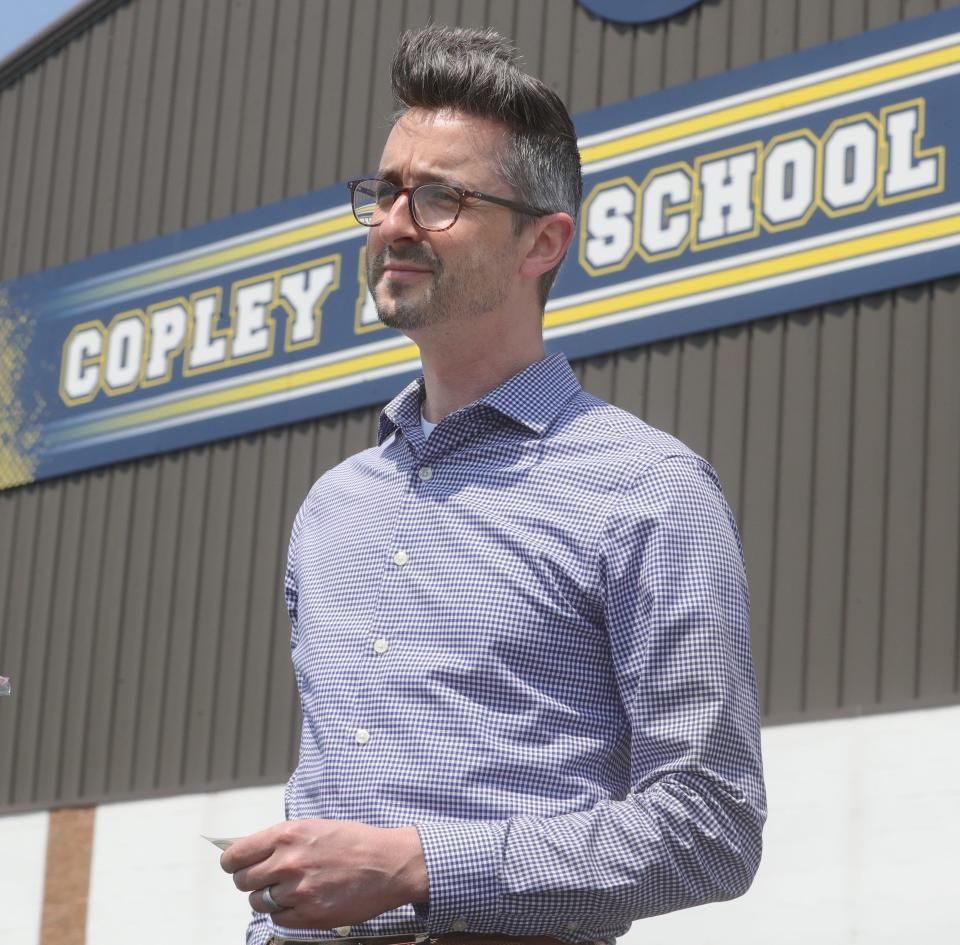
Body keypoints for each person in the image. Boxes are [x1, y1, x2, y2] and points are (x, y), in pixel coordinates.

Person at [221, 25, 766, 945]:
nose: (394, 222)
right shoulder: (333, 506)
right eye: (386, 191)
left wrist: (422, 867)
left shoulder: (648, 490)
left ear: (540, 243)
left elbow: (711, 826)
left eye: (439, 197)